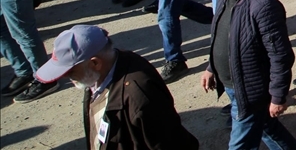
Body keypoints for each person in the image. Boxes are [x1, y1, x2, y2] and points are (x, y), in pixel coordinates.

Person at [200, 0, 296, 150]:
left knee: (240, 146)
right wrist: (211, 67)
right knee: (267, 127)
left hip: (249, 90)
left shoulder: (263, 5)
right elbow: (221, 37)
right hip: (232, 84)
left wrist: (278, 96)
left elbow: (280, 56)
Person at [34, 24, 198, 149]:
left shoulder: (139, 96)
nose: (65, 77)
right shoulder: (102, 73)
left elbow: (170, 144)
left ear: (95, 63)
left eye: (70, 71)